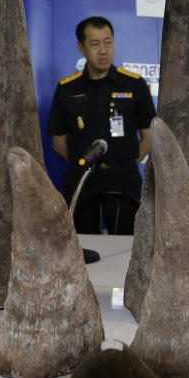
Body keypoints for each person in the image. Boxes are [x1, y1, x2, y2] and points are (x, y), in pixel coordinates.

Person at [47, 16, 155, 234]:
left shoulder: (133, 84)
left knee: (127, 246)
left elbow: (149, 135)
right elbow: (58, 141)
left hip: (124, 179)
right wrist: (82, 163)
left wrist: (127, 161)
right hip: (83, 181)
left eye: (108, 42)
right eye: (95, 44)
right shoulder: (67, 88)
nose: (103, 50)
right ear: (81, 47)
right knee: (82, 246)